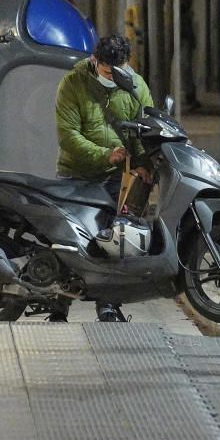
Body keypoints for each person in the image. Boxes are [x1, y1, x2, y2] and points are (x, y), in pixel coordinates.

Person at [52, 33, 155, 323]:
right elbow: (68, 136)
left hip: (116, 179)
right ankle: (59, 306)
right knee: (70, 243)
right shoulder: (73, 84)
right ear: (95, 61)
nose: (112, 77)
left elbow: (146, 127)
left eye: (118, 71)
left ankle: (108, 306)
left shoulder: (135, 86)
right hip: (75, 174)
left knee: (115, 243)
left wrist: (144, 162)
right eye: (107, 71)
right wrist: (104, 154)